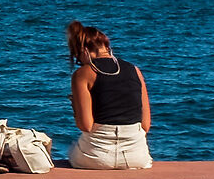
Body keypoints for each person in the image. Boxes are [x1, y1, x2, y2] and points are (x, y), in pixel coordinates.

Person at [66, 20, 153, 170]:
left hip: (96, 157)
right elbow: (145, 125)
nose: (79, 62)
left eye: (78, 58)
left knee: (72, 150)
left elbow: (85, 125)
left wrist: (75, 106)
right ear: (107, 47)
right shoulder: (135, 70)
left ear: (84, 51)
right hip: (136, 157)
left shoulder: (83, 74)